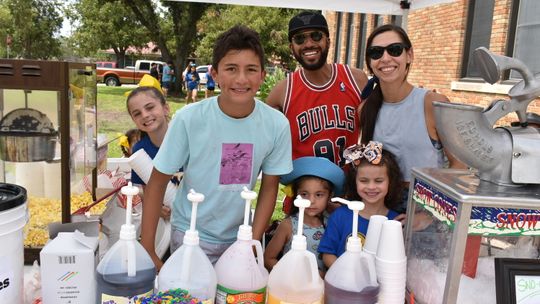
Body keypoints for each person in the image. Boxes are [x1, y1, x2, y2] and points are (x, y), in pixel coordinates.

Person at [140, 25, 293, 269]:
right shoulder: (189, 119)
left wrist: (251, 243)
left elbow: (269, 188)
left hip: (240, 238)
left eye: (251, 69)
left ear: (263, 75)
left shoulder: (276, 124)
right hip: (190, 235)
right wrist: (148, 249)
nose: (241, 79)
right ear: (214, 74)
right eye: (231, 69)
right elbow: (157, 182)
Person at [266, 11, 368, 213]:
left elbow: (375, 131)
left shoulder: (355, 79)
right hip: (305, 202)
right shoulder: (283, 91)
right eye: (300, 38)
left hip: (349, 196)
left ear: (328, 41)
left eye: (316, 36)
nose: (308, 43)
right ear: (291, 47)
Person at [359, 24, 465, 213]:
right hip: (380, 205)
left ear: (409, 55)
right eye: (376, 52)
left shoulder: (432, 103)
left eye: (394, 50)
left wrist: (429, 215)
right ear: (369, 61)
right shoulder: (365, 109)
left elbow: (460, 166)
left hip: (426, 203)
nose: (385, 58)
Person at [319, 141, 402, 268]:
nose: (371, 187)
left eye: (379, 181)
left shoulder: (396, 222)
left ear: (391, 182)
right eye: (364, 181)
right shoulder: (340, 216)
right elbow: (327, 254)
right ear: (354, 182)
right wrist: (346, 275)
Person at [264, 156, 345, 276]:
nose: (311, 200)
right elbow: (268, 259)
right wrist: (293, 275)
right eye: (304, 194)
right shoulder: (288, 225)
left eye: (319, 194)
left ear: (330, 195)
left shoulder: (333, 222)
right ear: (296, 194)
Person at [126, 76, 173, 220]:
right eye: (137, 113)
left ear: (166, 108)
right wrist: (156, 207)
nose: (145, 115)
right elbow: (146, 191)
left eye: (150, 107)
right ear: (134, 120)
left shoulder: (188, 142)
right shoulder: (139, 152)